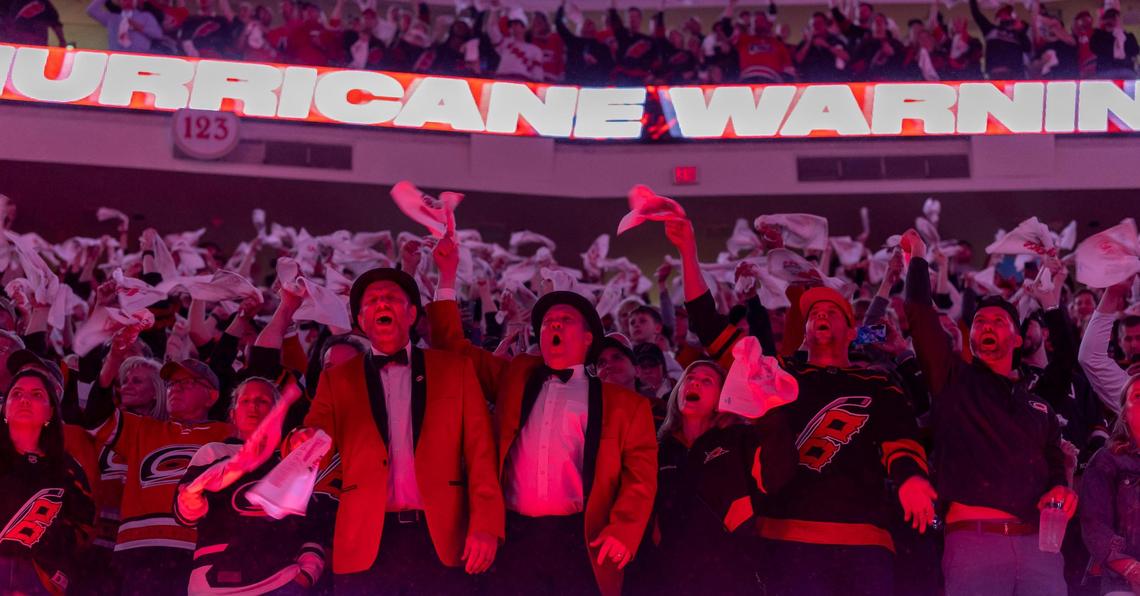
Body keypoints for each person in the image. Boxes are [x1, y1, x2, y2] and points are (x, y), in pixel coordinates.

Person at [665, 218, 934, 596]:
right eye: (813, 315)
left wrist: (912, 479)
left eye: (832, 312)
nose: (820, 316)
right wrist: (688, 252)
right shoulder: (778, 374)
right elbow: (710, 327)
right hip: (785, 539)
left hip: (864, 542)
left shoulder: (877, 383)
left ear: (852, 330)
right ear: (802, 330)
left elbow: (900, 440)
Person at [430, 234, 657, 596]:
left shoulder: (626, 406)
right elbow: (454, 351)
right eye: (548, 320)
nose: (553, 324)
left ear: (587, 340)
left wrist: (624, 529)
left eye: (565, 319)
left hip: (579, 541)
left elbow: (640, 480)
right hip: (513, 536)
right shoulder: (515, 376)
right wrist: (446, 276)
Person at [288, 266, 503, 594]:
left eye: (391, 298)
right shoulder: (338, 379)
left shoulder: (455, 370)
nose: (382, 304)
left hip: (442, 539)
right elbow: (314, 438)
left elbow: (481, 455)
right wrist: (300, 441)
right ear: (360, 320)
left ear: (413, 314)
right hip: (365, 542)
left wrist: (486, 525)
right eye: (372, 301)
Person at [903, 229, 1075, 596]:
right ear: (971, 339)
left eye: (998, 322)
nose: (986, 326)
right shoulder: (953, 382)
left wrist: (1060, 485)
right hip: (975, 543)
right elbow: (918, 314)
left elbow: (1054, 460)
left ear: (1017, 338)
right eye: (980, 323)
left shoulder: (1037, 402)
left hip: (1040, 547)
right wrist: (917, 257)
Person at [634, 360, 797, 594]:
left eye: (706, 381)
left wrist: (770, 416)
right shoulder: (658, 448)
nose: (695, 383)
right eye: (689, 378)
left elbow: (778, 476)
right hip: (671, 579)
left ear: (722, 397)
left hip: (732, 578)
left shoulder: (740, 439)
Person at [82, 353, 233, 594]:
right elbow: (95, 417)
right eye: (172, 383)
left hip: (199, 549)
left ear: (211, 396)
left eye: (187, 383)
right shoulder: (142, 429)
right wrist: (113, 358)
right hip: (138, 549)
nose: (175, 389)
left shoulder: (228, 435)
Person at [176, 377, 336, 594]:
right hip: (214, 582)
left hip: (281, 580)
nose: (253, 406)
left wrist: (307, 573)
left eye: (262, 401)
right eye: (245, 401)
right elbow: (185, 514)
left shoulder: (291, 459)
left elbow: (311, 524)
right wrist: (194, 494)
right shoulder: (213, 452)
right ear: (232, 413)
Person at [0, 369, 94, 595]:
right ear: (4, 409)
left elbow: (85, 527)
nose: (25, 400)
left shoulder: (67, 469)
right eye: (17, 393)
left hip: (40, 579)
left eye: (37, 395)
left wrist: (47, 557)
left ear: (51, 412)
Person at [1080, 375, 1140, 596]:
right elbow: (1094, 525)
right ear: (1124, 412)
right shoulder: (1106, 461)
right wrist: (1132, 569)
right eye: (1138, 396)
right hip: (1123, 583)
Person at [1080, 279, 1137, 418]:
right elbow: (1091, 359)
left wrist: (1113, 292)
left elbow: (1091, 358)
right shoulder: (1136, 394)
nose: (1134, 345)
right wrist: (1113, 292)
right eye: (1128, 339)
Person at [968, 0, 1030, 79]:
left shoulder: (1018, 34)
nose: (1005, 17)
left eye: (1008, 15)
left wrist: (1021, 31)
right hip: (995, 74)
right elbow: (977, 15)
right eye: (1003, 15)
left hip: (1014, 76)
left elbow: (1028, 48)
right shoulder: (991, 30)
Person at [87, 0, 166, 53]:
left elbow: (158, 35)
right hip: (116, 59)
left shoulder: (146, 17)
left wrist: (141, 28)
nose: (128, 1)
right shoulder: (112, 18)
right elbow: (91, 10)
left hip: (140, 59)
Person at [795, 12, 850, 82]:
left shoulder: (835, 40)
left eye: (819, 23)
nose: (816, 26)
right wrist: (808, 42)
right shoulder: (805, 42)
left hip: (832, 81)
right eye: (814, 24)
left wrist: (826, 45)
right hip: (810, 83)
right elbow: (798, 59)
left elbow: (846, 57)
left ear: (825, 24)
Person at [1091, 8, 1139, 79]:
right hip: (1106, 71)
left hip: (1125, 70)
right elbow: (1093, 47)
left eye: (1114, 18)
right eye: (1108, 18)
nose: (1111, 21)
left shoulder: (1128, 36)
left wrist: (1120, 33)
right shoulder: (1100, 36)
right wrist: (1099, 25)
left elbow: (1135, 51)